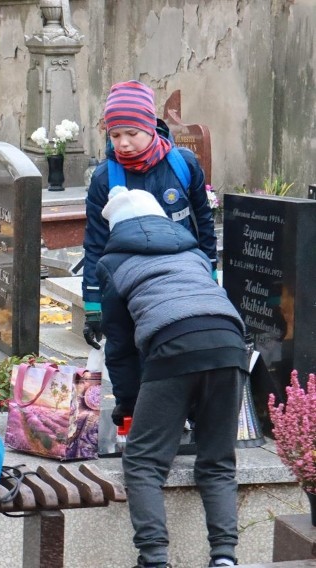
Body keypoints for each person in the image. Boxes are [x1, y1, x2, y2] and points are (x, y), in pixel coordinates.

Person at [96, 187, 248, 568]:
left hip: (173, 344)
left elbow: (121, 347)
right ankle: (225, 557)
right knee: (217, 461)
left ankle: (154, 558)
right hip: (230, 344)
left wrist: (128, 406)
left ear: (115, 227)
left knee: (144, 462)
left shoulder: (112, 265)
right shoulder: (194, 252)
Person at [82, 80, 217, 350]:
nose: (123, 144)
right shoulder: (105, 177)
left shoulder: (183, 165)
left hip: (181, 281)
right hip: (129, 286)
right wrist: (93, 305)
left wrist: (211, 274)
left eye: (132, 133)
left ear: (149, 127)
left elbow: (203, 222)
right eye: (115, 135)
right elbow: (96, 242)